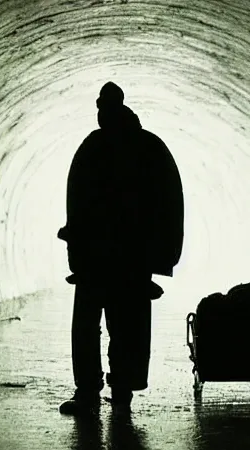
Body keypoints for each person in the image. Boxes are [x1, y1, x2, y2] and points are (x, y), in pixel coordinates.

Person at [58, 81, 184, 414]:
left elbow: (78, 203)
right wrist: (160, 258)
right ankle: (116, 390)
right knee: (125, 325)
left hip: (108, 257)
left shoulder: (97, 147)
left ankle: (94, 390)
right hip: (126, 258)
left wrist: (78, 252)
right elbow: (169, 203)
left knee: (93, 325)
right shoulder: (147, 146)